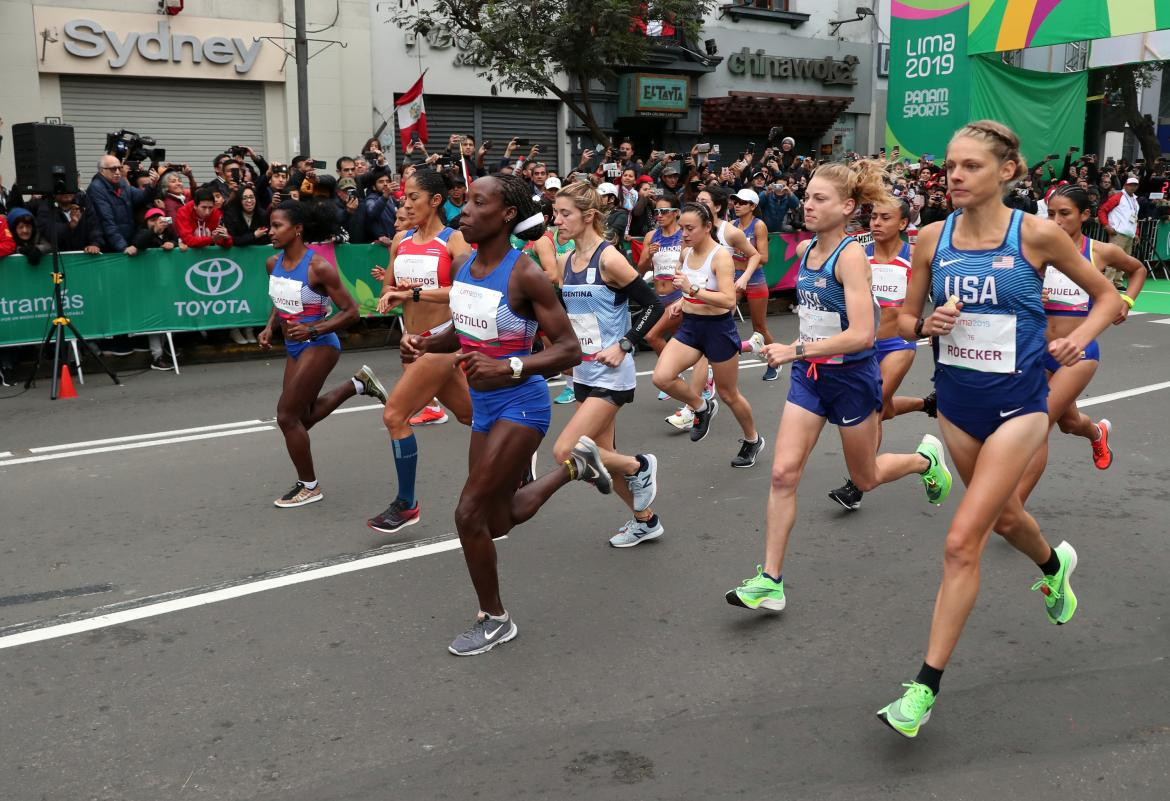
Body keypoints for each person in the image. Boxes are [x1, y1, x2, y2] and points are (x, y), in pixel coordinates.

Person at [877, 121, 1119, 738]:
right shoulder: (932, 238)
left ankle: (922, 689)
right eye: (950, 166)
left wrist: (1079, 341)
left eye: (970, 166)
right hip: (958, 406)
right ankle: (1053, 564)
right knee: (1007, 518)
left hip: (1020, 407)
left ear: (1006, 171)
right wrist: (924, 324)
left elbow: (1107, 298)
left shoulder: (1035, 234)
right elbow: (904, 318)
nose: (954, 175)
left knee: (963, 541)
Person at [725, 159, 952, 616]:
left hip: (851, 379)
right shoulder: (807, 249)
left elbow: (863, 335)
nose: (807, 204)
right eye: (807, 196)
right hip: (811, 380)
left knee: (865, 477)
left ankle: (923, 460)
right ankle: (771, 580)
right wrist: (794, 346)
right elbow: (816, 324)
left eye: (819, 199)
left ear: (847, 206)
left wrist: (794, 351)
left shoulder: (850, 256)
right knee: (783, 475)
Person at [400, 173, 609, 656]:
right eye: (464, 203)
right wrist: (427, 343)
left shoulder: (525, 273)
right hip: (485, 407)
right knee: (496, 521)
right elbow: (464, 327)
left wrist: (509, 363)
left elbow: (570, 349)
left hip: (522, 403)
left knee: (467, 513)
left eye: (476, 203)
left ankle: (494, 619)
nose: (463, 212)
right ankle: (576, 468)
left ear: (507, 215)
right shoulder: (469, 264)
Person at [1005, 184, 1146, 500]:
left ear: (1084, 215)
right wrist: (1029, 293)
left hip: (1079, 352)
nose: (1056, 221)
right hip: (1038, 349)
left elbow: (1137, 270)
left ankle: (1011, 509)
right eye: (1052, 214)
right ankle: (1097, 432)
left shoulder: (1100, 252)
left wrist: (1126, 300)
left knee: (1038, 423)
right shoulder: (1036, 252)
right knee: (1068, 423)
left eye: (1065, 214)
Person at [553, 182, 665, 547]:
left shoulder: (609, 258)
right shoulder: (564, 261)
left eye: (565, 213)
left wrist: (625, 345)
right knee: (603, 457)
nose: (557, 221)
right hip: (584, 374)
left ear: (588, 217)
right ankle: (645, 521)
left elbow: (653, 305)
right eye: (555, 213)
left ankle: (640, 467)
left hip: (613, 375)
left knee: (567, 451)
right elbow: (567, 317)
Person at [258, 199, 389, 508]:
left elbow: (352, 312)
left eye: (277, 226)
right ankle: (358, 384)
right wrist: (269, 327)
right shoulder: (271, 263)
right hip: (294, 344)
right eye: (270, 225)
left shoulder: (318, 267)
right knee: (302, 418)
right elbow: (281, 300)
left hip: (320, 344)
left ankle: (309, 486)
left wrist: (314, 330)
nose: (271, 231)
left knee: (286, 416)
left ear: (298, 229)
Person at [367, 169, 472, 534]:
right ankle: (518, 454)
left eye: (413, 197)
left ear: (436, 201)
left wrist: (411, 293)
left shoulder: (454, 241)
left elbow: (466, 292)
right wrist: (393, 297)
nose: (405, 203)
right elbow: (388, 291)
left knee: (395, 416)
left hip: (443, 342)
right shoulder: (400, 240)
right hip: (413, 341)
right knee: (471, 415)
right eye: (404, 197)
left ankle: (407, 504)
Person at [827, 197, 936, 511]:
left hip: (898, 345)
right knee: (883, 408)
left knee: (872, 408)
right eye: (873, 217)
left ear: (902, 223)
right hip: (863, 346)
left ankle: (856, 485)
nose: (876, 223)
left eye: (885, 218)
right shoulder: (857, 256)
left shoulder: (914, 258)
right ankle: (925, 404)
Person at [650, 202, 764, 468]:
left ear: (707, 227)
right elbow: (684, 282)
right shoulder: (686, 251)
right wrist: (682, 300)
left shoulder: (720, 256)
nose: (684, 233)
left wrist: (691, 292)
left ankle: (752, 439)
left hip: (718, 329)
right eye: (681, 228)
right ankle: (701, 407)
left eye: (690, 228)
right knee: (661, 377)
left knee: (728, 393)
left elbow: (728, 300)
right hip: (690, 326)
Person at [729, 188, 777, 379]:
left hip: (755, 280)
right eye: (735, 201)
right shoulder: (732, 225)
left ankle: (774, 363)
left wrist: (740, 264)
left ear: (753, 206)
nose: (737, 205)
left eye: (742, 202)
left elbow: (763, 257)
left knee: (759, 328)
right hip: (734, 280)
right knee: (724, 317)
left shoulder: (759, 226)